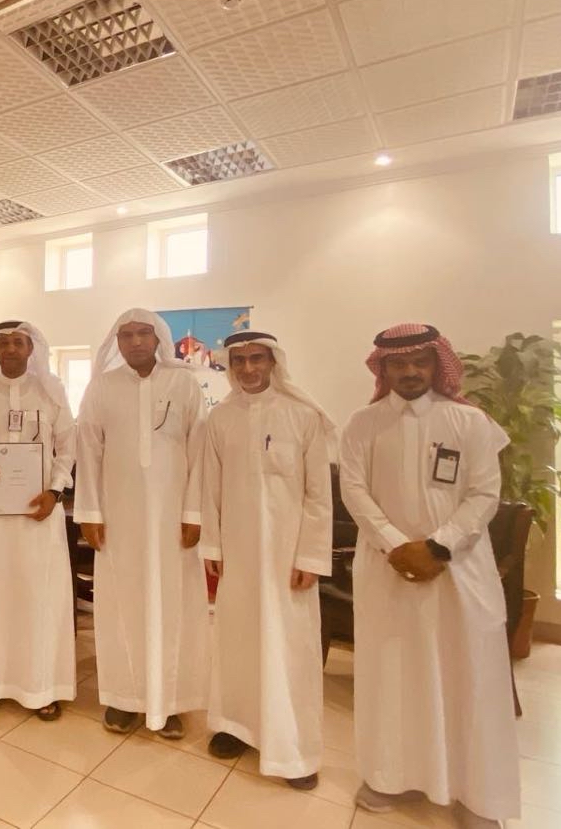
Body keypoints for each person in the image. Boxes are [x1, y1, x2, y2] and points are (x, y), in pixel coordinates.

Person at [339, 323, 519, 828]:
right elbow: (354, 491)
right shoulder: (363, 424)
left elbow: (484, 494)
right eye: (399, 363)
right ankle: (388, 776)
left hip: (460, 571)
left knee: (468, 676)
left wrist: (438, 546)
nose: (410, 372)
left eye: (420, 361)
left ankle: (476, 794)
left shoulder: (470, 422)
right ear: (384, 367)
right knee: (391, 673)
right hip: (387, 570)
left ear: (437, 364)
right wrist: (397, 546)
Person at [200, 331, 333, 789]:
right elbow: (211, 488)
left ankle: (295, 748)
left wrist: (310, 555)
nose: (248, 368)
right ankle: (235, 725)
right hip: (238, 553)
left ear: (273, 361)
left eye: (257, 358)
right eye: (239, 360)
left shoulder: (303, 415)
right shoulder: (220, 418)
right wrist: (213, 548)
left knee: (290, 646)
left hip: (288, 556)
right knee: (237, 638)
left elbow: (319, 494)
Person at [74, 309, 209, 738]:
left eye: (143, 334)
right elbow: (88, 451)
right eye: (126, 335)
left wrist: (194, 512)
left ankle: (170, 701)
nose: (134, 342)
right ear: (116, 342)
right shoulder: (102, 386)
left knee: (174, 606)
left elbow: (200, 451)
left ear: (158, 338)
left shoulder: (184, 384)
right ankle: (124, 698)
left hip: (173, 521)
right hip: (119, 519)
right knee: (120, 605)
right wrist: (89, 512)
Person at [0, 320, 76, 720]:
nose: (10, 349)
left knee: (38, 596)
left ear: (31, 349)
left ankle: (41, 688)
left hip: (39, 512)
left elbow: (68, 446)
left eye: (18, 343)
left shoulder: (51, 391)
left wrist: (55, 490)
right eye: (4, 343)